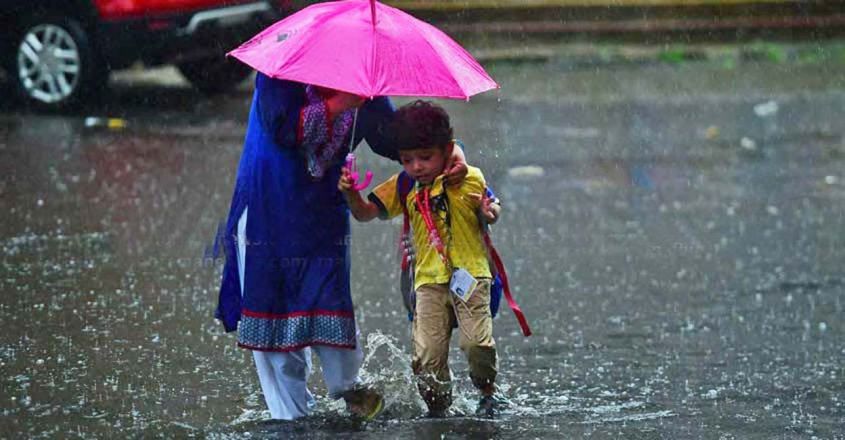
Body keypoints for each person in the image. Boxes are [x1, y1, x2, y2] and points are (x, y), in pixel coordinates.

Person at [215, 74, 469, 420]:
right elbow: (284, 128)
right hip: (268, 206)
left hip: (322, 216)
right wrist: (341, 102)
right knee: (274, 312)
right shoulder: (280, 73)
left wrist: (451, 152)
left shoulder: (360, 76)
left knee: (329, 299)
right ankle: (290, 417)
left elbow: (394, 138)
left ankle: (350, 389)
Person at [338, 100, 503, 418]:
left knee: (477, 345)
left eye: (425, 158)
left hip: (471, 275)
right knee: (427, 356)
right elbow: (365, 213)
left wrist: (488, 212)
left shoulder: (468, 177)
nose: (416, 166)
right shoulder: (403, 184)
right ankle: (439, 408)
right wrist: (350, 194)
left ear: (448, 150)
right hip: (427, 281)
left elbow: (492, 207)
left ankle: (487, 391)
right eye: (407, 159)